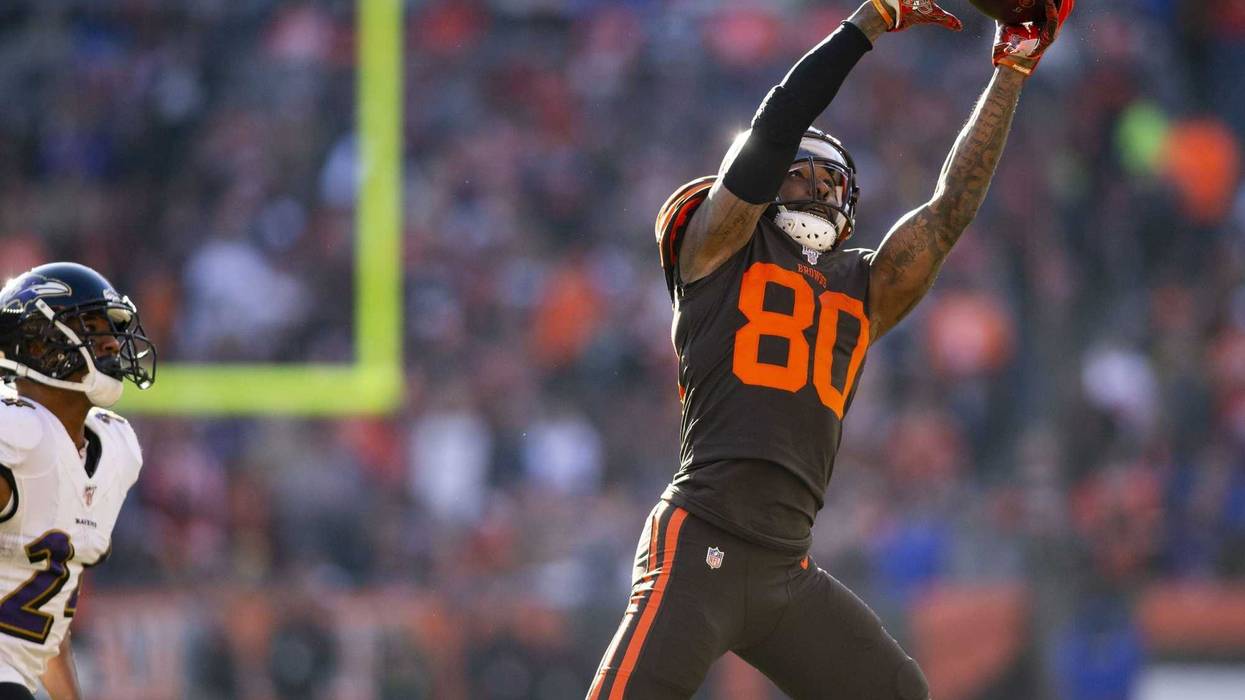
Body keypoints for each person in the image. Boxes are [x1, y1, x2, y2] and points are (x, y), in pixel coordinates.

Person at [587, 0, 1075, 698]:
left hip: (786, 565)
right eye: (800, 174)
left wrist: (1010, 69)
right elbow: (773, 128)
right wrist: (867, 24)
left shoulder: (863, 286)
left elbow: (947, 212)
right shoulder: (719, 250)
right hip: (701, 542)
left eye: (830, 181)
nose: (816, 189)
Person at [0, 262, 157, 700]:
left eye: (110, 327)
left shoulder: (116, 448)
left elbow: (46, 623)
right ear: (37, 341)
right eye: (89, 325)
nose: (109, 341)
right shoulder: (16, 435)